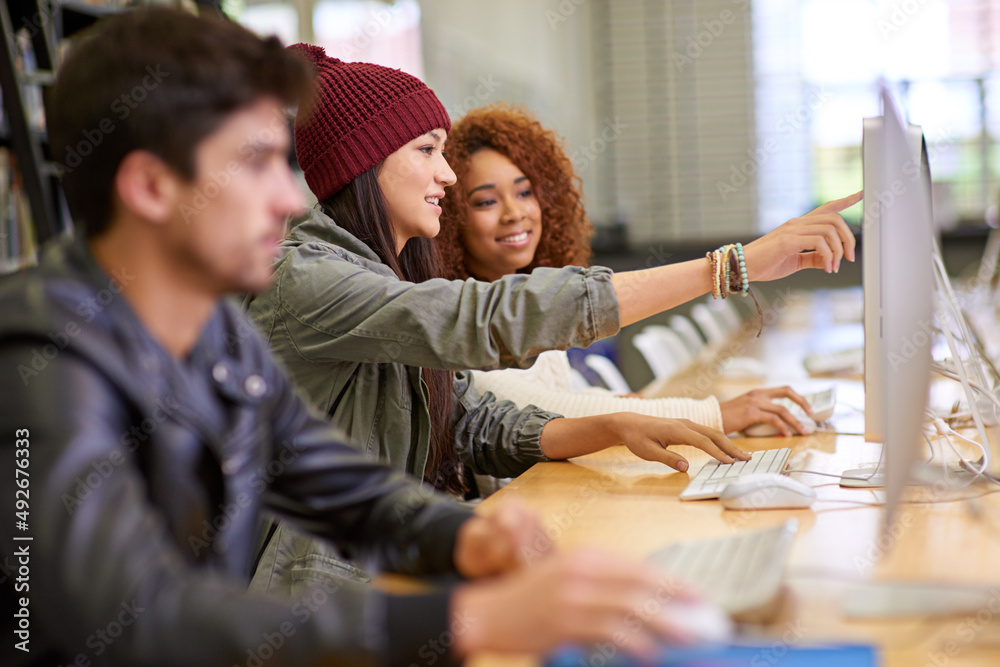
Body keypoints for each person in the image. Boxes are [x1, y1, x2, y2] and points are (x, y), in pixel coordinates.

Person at [0, 10, 707, 665]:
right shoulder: (42, 362)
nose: (288, 197)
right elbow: (137, 619)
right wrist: (462, 619)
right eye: (254, 165)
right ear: (152, 188)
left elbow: (330, 477)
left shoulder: (210, 329)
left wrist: (461, 533)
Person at [245, 45, 859, 593]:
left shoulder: (387, 277)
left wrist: (615, 425)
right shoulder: (305, 279)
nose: (448, 175)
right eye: (427, 150)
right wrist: (730, 267)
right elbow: (480, 322)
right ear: (364, 166)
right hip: (321, 599)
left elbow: (472, 424)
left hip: (391, 573)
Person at [436, 103, 820, 438]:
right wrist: (720, 414)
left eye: (524, 192)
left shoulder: (530, 301)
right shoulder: (458, 325)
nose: (514, 213)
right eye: (486, 201)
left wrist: (609, 400)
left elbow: (562, 396)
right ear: (451, 217)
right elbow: (551, 417)